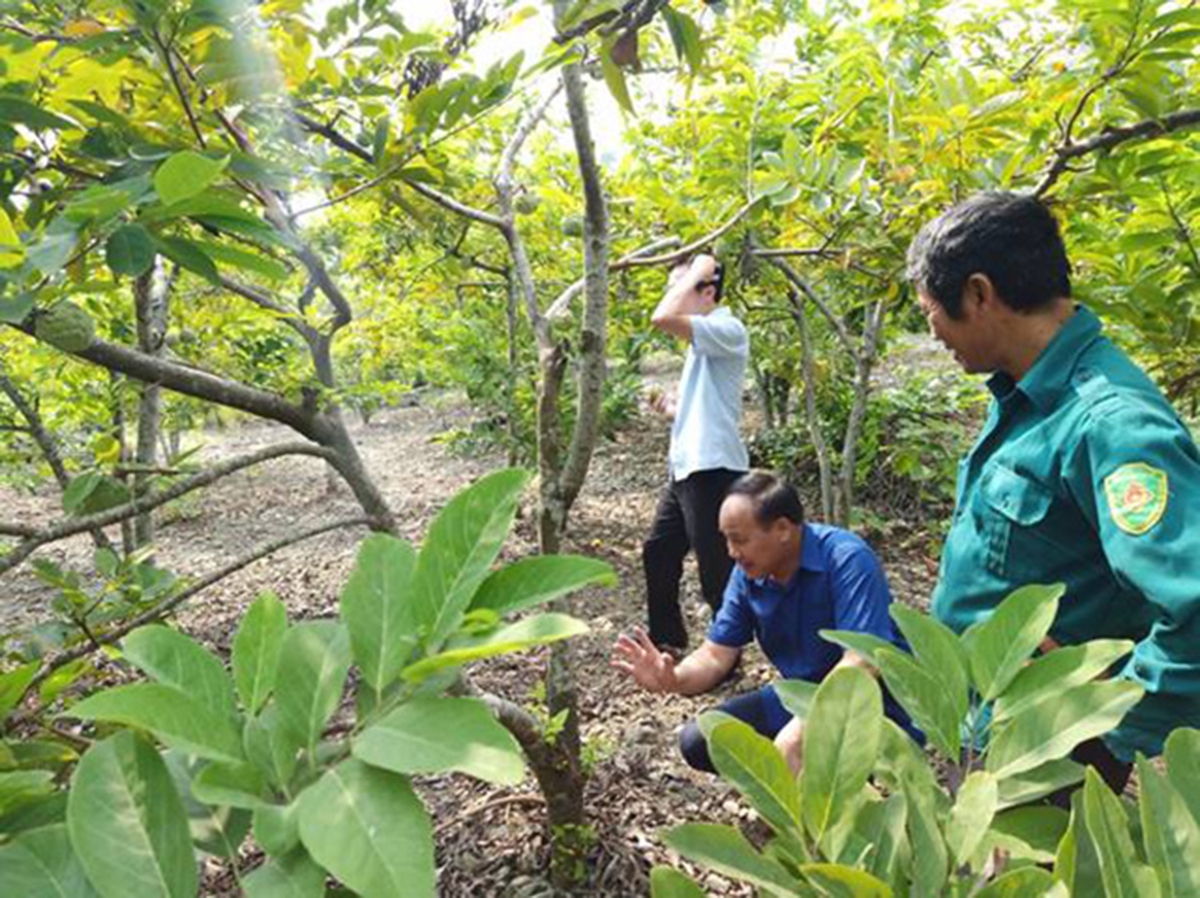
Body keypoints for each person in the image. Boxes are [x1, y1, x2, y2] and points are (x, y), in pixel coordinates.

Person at [907, 190, 1200, 793]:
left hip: (1042, 750)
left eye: (931, 310)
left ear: (980, 294)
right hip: (987, 720)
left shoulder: (1112, 424)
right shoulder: (1027, 395)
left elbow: (1193, 609)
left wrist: (1099, 723)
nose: (932, 331)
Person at [615, 471, 919, 774]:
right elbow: (716, 655)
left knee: (800, 749)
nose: (732, 552)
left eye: (740, 540)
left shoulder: (847, 559)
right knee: (701, 740)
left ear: (783, 529)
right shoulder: (748, 575)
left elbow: (863, 660)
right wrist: (674, 678)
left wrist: (806, 726)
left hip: (870, 707)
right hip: (798, 696)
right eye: (727, 540)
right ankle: (790, 797)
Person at [642, 252, 750, 654]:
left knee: (716, 568)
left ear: (706, 290)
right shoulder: (704, 339)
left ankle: (727, 653)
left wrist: (703, 266)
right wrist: (671, 409)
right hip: (689, 466)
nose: (671, 295)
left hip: (712, 466)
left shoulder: (727, 327)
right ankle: (667, 641)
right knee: (659, 551)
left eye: (679, 286)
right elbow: (707, 407)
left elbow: (661, 318)